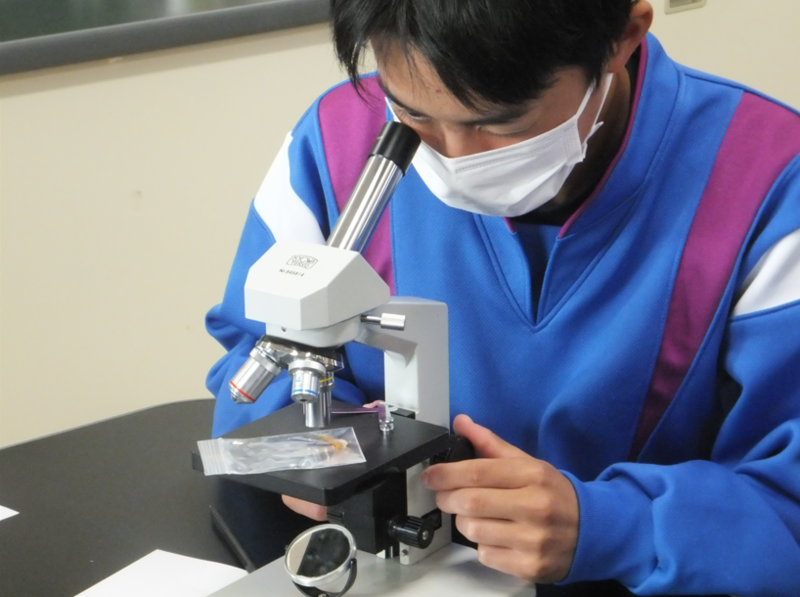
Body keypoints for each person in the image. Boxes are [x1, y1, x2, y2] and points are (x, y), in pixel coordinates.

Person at [205, 1, 800, 595]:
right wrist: (310, 450)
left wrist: (613, 527)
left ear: (623, 36)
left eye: (503, 125)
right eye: (413, 114)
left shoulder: (771, 183)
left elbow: (787, 505)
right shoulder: (336, 138)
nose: (455, 159)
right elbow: (250, 356)